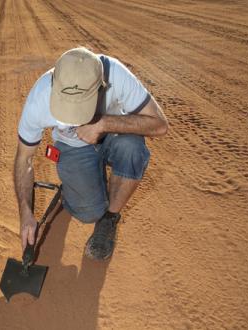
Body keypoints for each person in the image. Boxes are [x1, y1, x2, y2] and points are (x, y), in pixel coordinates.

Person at [14, 47, 168, 261]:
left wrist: (104, 123)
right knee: (88, 213)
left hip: (115, 136)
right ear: (53, 84)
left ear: (101, 87)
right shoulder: (39, 99)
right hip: (73, 147)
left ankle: (110, 218)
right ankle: (79, 190)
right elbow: (24, 158)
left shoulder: (116, 74)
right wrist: (25, 213)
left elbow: (160, 125)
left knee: (133, 149)